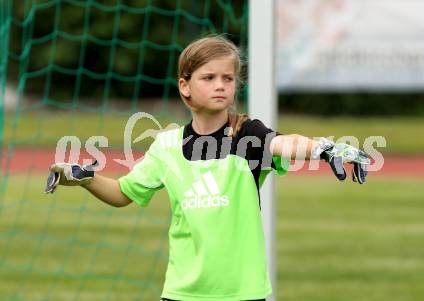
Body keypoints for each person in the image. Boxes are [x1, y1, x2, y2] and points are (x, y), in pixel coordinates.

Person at [45, 34, 369, 301]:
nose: (220, 85)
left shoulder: (247, 135)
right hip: (182, 293)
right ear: (184, 86)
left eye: (228, 78)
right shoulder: (166, 147)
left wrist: (322, 148)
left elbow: (283, 143)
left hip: (243, 293)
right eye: (209, 77)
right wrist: (86, 178)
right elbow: (122, 192)